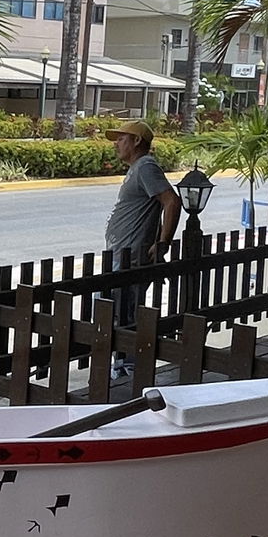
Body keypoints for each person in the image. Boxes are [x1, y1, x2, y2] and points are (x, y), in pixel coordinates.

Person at [104, 119, 181, 377]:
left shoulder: (146, 166)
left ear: (137, 141)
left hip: (131, 256)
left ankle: (127, 367)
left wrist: (163, 243)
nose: (117, 143)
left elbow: (171, 202)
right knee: (117, 310)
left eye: (122, 138)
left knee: (124, 312)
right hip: (122, 254)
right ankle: (123, 363)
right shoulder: (137, 168)